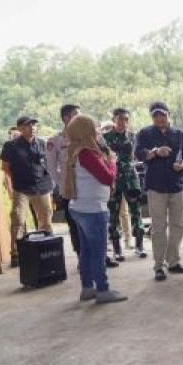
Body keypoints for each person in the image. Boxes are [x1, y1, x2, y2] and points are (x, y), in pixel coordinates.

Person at [62, 114, 127, 304]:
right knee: (98, 252)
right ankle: (103, 289)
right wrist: (112, 163)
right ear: (86, 131)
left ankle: (87, 288)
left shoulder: (76, 150)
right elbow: (107, 178)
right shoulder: (87, 153)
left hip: (80, 208)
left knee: (87, 251)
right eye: (95, 128)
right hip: (92, 210)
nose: (98, 132)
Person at [135, 102, 183, 282]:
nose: (159, 118)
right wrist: (155, 151)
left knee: (179, 226)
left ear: (169, 114)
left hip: (177, 185)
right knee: (158, 228)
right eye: (156, 115)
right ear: (152, 117)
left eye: (163, 114)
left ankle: (173, 261)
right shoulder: (144, 133)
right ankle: (159, 266)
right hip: (156, 187)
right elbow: (138, 154)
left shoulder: (180, 134)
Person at [0, 115, 54, 265]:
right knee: (18, 219)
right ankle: (16, 253)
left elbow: (49, 164)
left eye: (34, 125)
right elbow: (5, 167)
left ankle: (47, 247)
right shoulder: (10, 146)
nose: (33, 128)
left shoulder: (42, 144)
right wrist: (15, 180)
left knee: (46, 218)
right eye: (29, 125)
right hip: (21, 188)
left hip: (42, 186)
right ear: (20, 128)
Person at [102, 108, 146, 262]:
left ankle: (140, 246)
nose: (124, 122)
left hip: (130, 178)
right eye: (120, 119)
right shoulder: (105, 138)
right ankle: (117, 249)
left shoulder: (134, 137)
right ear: (114, 120)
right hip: (113, 179)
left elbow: (138, 155)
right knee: (113, 215)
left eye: (126, 119)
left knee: (136, 212)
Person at [47, 104, 83, 259]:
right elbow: (51, 166)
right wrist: (62, 184)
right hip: (68, 190)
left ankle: (99, 254)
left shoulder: (85, 136)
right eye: (76, 115)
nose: (80, 118)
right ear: (66, 118)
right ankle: (81, 255)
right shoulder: (55, 140)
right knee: (74, 223)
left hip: (86, 186)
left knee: (92, 220)